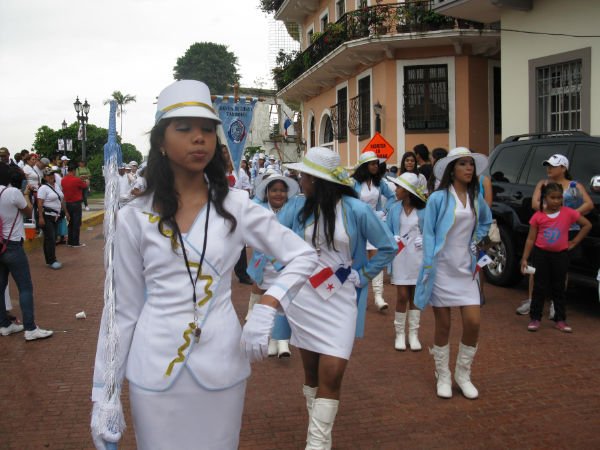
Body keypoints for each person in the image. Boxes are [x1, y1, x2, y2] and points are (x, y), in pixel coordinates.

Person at [90, 80, 317, 450]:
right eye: (184, 128)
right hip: (154, 366)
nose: (199, 138)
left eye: (208, 129)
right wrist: (105, 393)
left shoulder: (236, 206)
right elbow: (121, 312)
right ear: (161, 142)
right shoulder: (134, 217)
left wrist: (269, 303)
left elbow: (303, 255)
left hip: (222, 362)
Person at [279, 147, 396, 449]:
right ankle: (319, 437)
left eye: (305, 175)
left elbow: (387, 246)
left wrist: (363, 274)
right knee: (311, 373)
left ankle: (316, 445)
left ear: (317, 180)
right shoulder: (298, 207)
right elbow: (275, 240)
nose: (300, 180)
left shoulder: (357, 210)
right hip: (304, 298)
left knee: (332, 373)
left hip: (341, 297)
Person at [415, 147, 492, 400]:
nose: (469, 168)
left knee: (473, 322)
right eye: (463, 164)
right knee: (444, 325)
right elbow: (428, 232)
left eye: (471, 164)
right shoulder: (438, 198)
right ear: (452, 170)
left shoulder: (475, 197)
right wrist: (428, 264)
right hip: (441, 269)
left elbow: (485, 221)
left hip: (466, 269)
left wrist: (477, 240)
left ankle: (463, 374)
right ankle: (443, 375)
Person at [515, 154, 594, 316]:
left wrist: (570, 215)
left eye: (553, 166)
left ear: (563, 168)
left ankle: (555, 304)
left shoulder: (574, 186)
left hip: (567, 232)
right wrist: (554, 213)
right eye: (548, 166)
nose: (549, 169)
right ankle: (532, 300)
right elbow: (535, 204)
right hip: (545, 230)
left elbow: (589, 204)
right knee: (536, 267)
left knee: (561, 270)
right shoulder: (543, 184)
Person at [520, 182, 591, 333]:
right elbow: (530, 239)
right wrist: (524, 258)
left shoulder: (568, 213)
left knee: (559, 287)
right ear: (545, 198)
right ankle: (535, 318)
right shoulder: (538, 216)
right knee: (539, 287)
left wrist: (574, 242)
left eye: (559, 198)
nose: (556, 201)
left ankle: (560, 319)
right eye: (553, 197)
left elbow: (586, 225)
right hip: (541, 254)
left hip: (560, 255)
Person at [246, 170, 300, 357]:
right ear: (267, 192)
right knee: (269, 302)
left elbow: (297, 232)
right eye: (274, 190)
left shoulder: (293, 207)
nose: (279, 194)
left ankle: (282, 341)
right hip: (264, 264)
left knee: (284, 302)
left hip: (286, 263)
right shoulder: (257, 208)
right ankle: (271, 339)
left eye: (282, 190)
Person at [0, 165, 53, 340]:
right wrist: (25, 193)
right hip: (13, 245)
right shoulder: (12, 193)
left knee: (0, 287)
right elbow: (29, 211)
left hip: (0, 245)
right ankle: (30, 329)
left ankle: (4, 325)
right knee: (25, 287)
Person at [386, 172, 427, 351]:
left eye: (399, 187)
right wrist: (392, 238)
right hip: (400, 256)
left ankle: (414, 334)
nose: (395, 190)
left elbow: (433, 231)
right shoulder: (394, 209)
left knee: (415, 296)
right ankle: (400, 334)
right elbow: (386, 230)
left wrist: (425, 238)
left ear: (408, 191)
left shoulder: (424, 210)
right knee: (402, 295)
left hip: (418, 257)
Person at [351, 151, 396, 312]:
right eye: (372, 164)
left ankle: (378, 296)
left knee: (376, 256)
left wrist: (383, 211)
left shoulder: (380, 182)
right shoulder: (353, 182)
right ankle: (355, 296)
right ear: (364, 166)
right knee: (357, 259)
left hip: (374, 222)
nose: (376, 166)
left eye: (377, 163)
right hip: (356, 224)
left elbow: (392, 196)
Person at [37, 167, 68, 269]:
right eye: (48, 175)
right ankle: (52, 260)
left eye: (52, 175)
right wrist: (40, 217)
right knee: (50, 238)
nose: (51, 177)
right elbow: (40, 204)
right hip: (47, 216)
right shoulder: (43, 188)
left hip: (56, 216)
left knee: (51, 238)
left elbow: (61, 200)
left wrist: (66, 212)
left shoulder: (57, 186)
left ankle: (49, 259)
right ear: (45, 177)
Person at [61, 162, 89, 247]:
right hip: (76, 203)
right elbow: (85, 186)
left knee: (70, 223)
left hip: (67, 203)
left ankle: (70, 241)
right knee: (76, 223)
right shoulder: (76, 180)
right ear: (73, 170)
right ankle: (75, 242)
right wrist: (87, 181)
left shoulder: (63, 180)